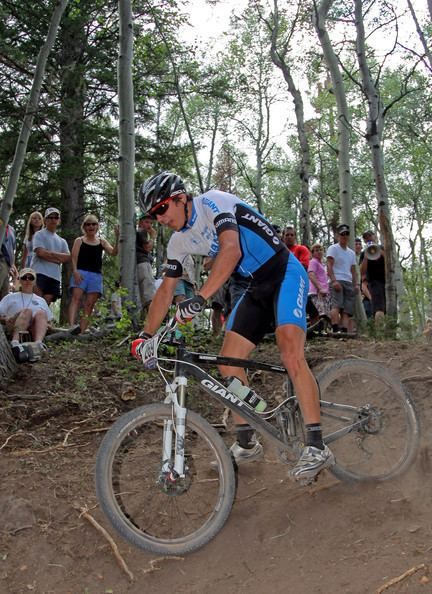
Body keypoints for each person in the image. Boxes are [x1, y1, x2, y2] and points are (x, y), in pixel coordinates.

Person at [132, 171, 334, 481]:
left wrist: (200, 296)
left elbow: (232, 250)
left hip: (284, 273)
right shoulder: (178, 242)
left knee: (291, 354)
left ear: (181, 198)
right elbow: (164, 291)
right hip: (255, 286)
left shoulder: (213, 202)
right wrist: (146, 335)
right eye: (152, 213)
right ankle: (246, 442)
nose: (159, 218)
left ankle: (317, 446)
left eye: (162, 208)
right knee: (228, 365)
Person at [68, 214, 119, 333]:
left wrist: (117, 238)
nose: (91, 226)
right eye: (88, 224)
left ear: (97, 226)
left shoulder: (102, 241)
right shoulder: (79, 240)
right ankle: (71, 326)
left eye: (93, 224)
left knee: (90, 304)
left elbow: (113, 252)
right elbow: (73, 258)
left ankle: (81, 330)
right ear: (84, 227)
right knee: (76, 299)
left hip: (96, 275)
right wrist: (75, 271)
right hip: (80, 273)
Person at [0, 267, 52, 357]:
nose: (27, 280)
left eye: (30, 278)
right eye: (24, 278)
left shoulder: (41, 300)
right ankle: (15, 342)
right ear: (20, 280)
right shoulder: (10, 297)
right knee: (27, 312)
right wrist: (6, 319)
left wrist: (47, 325)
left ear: (34, 282)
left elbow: (49, 322)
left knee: (41, 313)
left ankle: (38, 344)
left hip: (33, 329)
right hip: (13, 325)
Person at [31, 207, 71, 304]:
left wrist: (49, 253)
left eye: (56, 218)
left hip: (54, 277)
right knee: (35, 304)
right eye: (50, 217)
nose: (53, 220)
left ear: (59, 220)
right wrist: (58, 259)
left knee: (44, 307)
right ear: (45, 220)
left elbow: (67, 258)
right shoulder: (39, 234)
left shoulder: (62, 241)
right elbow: (40, 253)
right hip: (39, 273)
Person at [326, 224, 359, 334]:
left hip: (348, 282)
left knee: (347, 309)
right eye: (342, 234)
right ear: (337, 236)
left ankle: (344, 331)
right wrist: (334, 280)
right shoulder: (333, 248)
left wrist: (356, 284)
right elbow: (329, 265)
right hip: (337, 280)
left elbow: (353, 270)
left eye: (346, 234)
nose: (344, 236)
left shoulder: (351, 253)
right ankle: (335, 328)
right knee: (337, 305)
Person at [360, 229, 386, 322]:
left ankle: (388, 333)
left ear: (375, 237)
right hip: (375, 283)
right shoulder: (364, 253)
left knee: (386, 309)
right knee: (379, 308)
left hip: (387, 283)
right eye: (365, 238)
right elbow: (362, 272)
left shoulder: (382, 248)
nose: (368, 238)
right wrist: (366, 257)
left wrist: (379, 251)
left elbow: (390, 263)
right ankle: (380, 334)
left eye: (369, 236)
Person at [136, 214, 156, 316]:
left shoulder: (136, 233)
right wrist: (153, 237)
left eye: (151, 223)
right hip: (143, 263)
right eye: (147, 222)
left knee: (142, 294)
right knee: (149, 294)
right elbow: (147, 247)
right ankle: (152, 321)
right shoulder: (141, 231)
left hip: (137, 264)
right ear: (140, 222)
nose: (149, 225)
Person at [307, 243, 331, 321]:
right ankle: (316, 331)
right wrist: (320, 288)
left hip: (324, 293)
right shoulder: (313, 262)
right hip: (316, 293)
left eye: (321, 250)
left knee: (325, 315)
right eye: (316, 250)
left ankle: (322, 332)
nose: (319, 252)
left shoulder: (321, 264)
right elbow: (311, 274)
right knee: (320, 314)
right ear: (312, 253)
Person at [0, 218, 17, 300]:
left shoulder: (12, 230)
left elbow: (12, 249)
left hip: (8, 264)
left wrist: (12, 266)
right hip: (1, 259)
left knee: (5, 292)